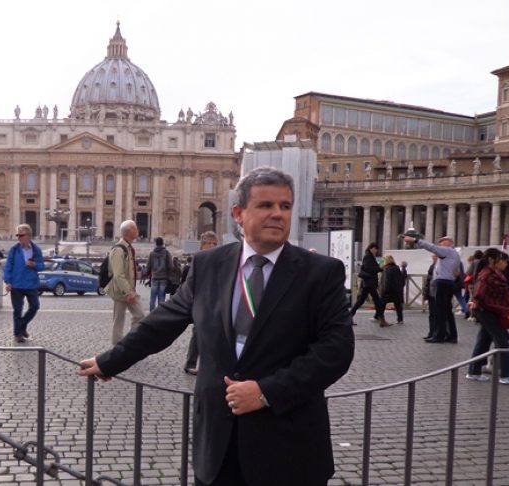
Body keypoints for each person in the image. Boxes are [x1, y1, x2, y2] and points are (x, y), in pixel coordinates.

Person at [79, 167, 355, 486]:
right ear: (238, 213)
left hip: (289, 446)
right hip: (217, 445)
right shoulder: (208, 265)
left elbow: (336, 350)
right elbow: (163, 323)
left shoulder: (321, 272)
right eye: (266, 205)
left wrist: (266, 392)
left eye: (285, 206)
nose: (278, 214)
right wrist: (110, 361)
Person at [466, 248, 509, 385]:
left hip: (490, 311)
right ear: (493, 260)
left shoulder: (494, 273)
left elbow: (508, 277)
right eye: (503, 260)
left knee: (483, 341)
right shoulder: (488, 274)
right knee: (502, 340)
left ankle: (474, 371)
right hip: (488, 311)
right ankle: (507, 375)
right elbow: (479, 293)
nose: (506, 263)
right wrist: (482, 303)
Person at [405, 234, 460, 343]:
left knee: (440, 311)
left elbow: (431, 247)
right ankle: (451, 335)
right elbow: (456, 272)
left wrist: (414, 240)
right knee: (447, 311)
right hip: (449, 282)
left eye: (442, 243)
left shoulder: (446, 251)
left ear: (448, 243)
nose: (439, 245)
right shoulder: (455, 254)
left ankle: (439, 335)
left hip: (442, 282)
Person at [184, 230, 219, 376]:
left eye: (214, 243)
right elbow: (190, 282)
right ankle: (190, 363)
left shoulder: (219, 259)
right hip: (201, 300)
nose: (212, 246)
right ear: (202, 245)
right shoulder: (198, 259)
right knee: (198, 332)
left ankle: (212, 365)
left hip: (216, 301)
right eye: (209, 243)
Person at [4, 224, 45, 343]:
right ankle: (17, 334)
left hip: (31, 283)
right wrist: (8, 281)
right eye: (17, 235)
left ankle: (22, 325)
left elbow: (42, 265)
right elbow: (8, 267)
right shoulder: (14, 250)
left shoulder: (36, 250)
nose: (18, 238)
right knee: (17, 310)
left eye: (21, 235)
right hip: (16, 284)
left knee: (35, 306)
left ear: (28, 236)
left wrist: (35, 265)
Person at [105, 220, 145, 345]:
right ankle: (118, 345)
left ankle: (129, 342)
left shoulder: (128, 248)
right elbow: (118, 275)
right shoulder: (119, 250)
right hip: (121, 291)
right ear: (129, 231)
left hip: (128, 290)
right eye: (135, 228)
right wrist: (129, 292)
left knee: (139, 315)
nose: (138, 230)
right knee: (120, 318)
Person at [349, 243, 389, 326]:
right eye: (375, 249)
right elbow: (368, 268)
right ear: (371, 248)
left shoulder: (370, 256)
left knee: (363, 301)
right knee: (376, 301)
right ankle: (381, 319)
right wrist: (379, 268)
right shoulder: (368, 257)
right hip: (369, 282)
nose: (376, 251)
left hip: (368, 283)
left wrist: (379, 268)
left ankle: (349, 317)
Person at [146, 237, 173, 310]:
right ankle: (160, 314)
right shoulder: (167, 253)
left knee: (152, 297)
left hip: (154, 277)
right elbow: (171, 266)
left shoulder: (151, 253)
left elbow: (148, 266)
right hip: (164, 278)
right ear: (162, 243)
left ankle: (152, 313)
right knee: (161, 298)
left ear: (156, 243)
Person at [381, 255, 404, 325]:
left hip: (388, 289)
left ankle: (380, 317)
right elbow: (401, 278)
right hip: (397, 289)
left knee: (382, 304)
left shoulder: (386, 268)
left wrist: (385, 289)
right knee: (398, 305)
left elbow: (386, 280)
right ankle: (400, 319)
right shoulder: (397, 268)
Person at [422, 254, 438, 339]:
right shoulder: (432, 266)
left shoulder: (440, 266)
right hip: (431, 292)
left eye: (435, 256)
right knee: (432, 314)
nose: (433, 257)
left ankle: (435, 333)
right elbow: (428, 281)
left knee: (436, 314)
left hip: (436, 293)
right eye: (433, 256)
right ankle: (431, 332)